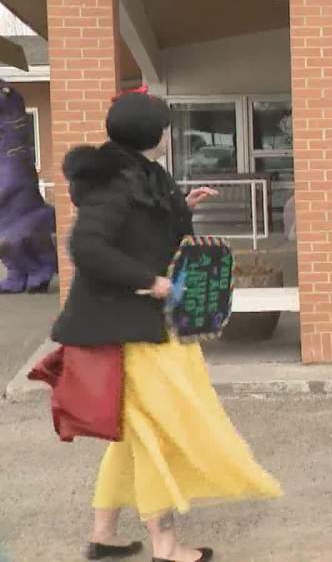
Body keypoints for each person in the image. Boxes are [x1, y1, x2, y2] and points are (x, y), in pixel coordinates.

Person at [51, 92, 281, 562]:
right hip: (126, 328)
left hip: (141, 325)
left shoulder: (144, 175)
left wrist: (185, 206)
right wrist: (150, 281)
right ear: (148, 132)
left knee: (135, 433)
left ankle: (104, 534)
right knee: (155, 432)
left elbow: (150, 233)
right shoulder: (116, 183)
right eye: (165, 126)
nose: (170, 133)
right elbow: (87, 248)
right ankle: (165, 546)